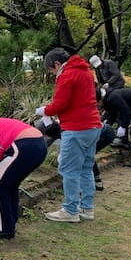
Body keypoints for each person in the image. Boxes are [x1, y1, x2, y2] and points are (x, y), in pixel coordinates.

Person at [36, 47, 102, 223]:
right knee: (86, 168)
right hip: (93, 126)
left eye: (51, 69)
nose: (52, 73)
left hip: (76, 128)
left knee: (69, 169)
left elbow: (60, 104)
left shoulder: (67, 75)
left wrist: (44, 110)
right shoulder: (85, 71)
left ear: (57, 64)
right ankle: (87, 208)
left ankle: (70, 209)